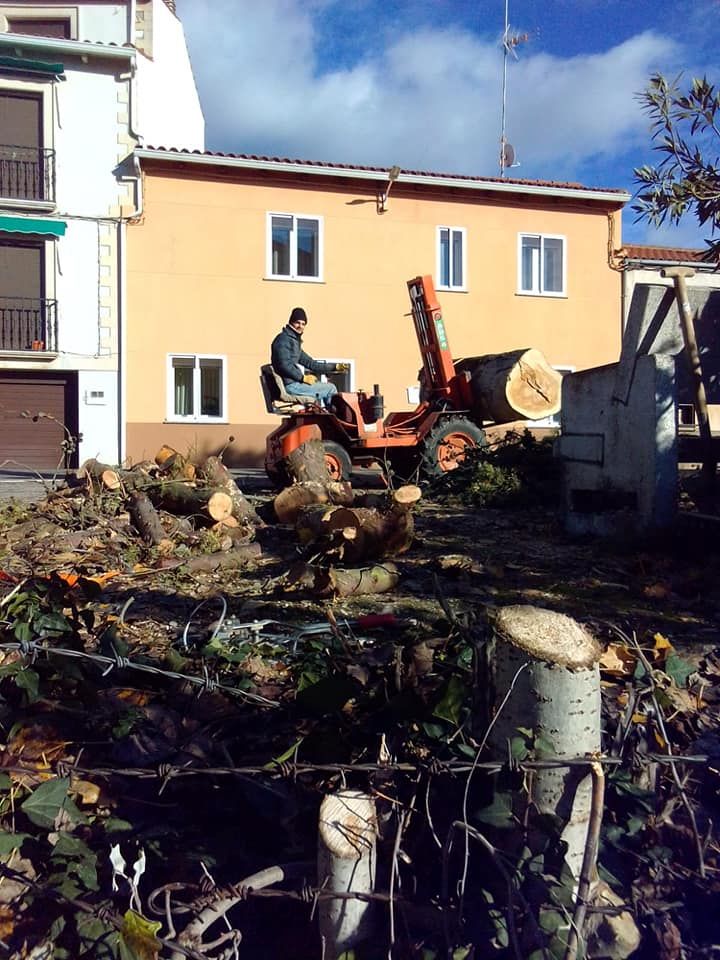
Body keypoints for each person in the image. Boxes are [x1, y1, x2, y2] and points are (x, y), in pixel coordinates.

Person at [270, 307, 348, 408]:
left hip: (293, 383)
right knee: (330, 389)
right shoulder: (283, 340)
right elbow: (283, 365)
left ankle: (330, 417)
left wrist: (334, 367)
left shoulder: (293, 342)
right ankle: (336, 421)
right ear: (291, 322)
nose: (300, 326)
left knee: (326, 387)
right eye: (297, 322)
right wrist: (302, 378)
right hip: (290, 385)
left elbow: (311, 364)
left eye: (303, 324)